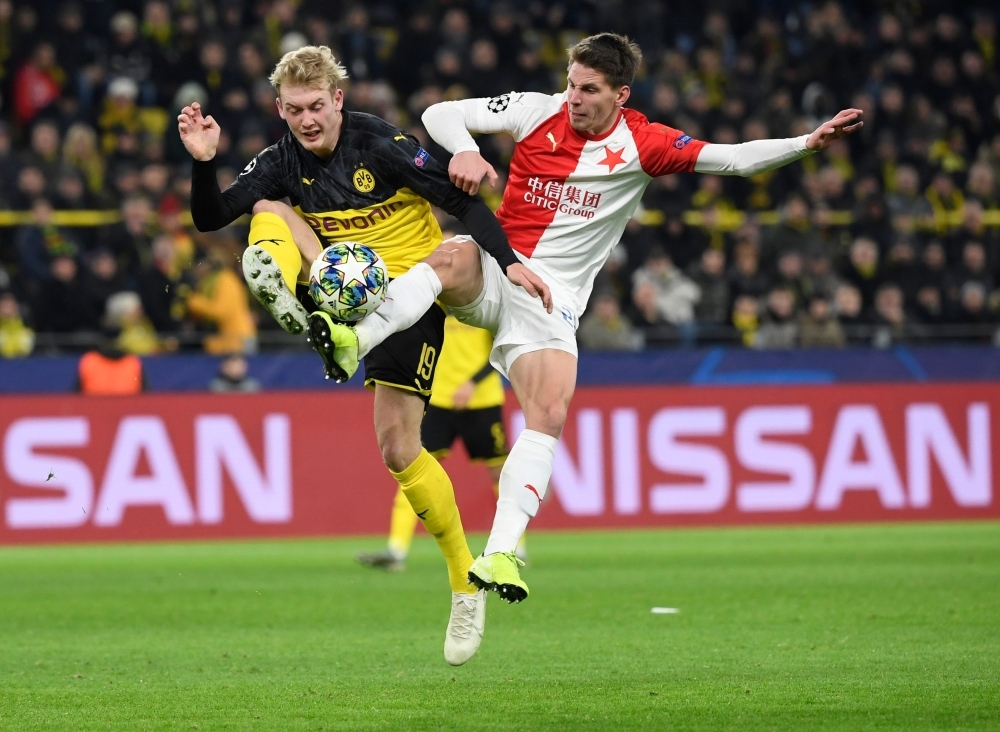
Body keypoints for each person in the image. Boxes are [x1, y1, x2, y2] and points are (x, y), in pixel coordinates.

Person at [314, 32, 863, 608]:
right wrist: (466, 151)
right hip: (501, 267)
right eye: (572, 83)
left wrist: (807, 142)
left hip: (552, 303)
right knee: (450, 255)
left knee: (548, 412)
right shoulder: (536, 109)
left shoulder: (645, 143)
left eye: (589, 89)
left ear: (620, 94)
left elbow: (732, 158)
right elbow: (439, 113)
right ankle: (354, 340)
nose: (573, 98)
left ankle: (500, 552)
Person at [177, 45, 547, 667]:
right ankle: (310, 308)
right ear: (280, 109)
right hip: (343, 286)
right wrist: (203, 164)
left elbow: (464, 206)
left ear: (338, 100)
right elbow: (212, 215)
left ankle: (464, 583)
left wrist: (509, 263)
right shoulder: (279, 159)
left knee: (398, 448)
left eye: (317, 106)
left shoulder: (382, 145)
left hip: (409, 294)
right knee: (266, 204)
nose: (307, 119)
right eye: (294, 110)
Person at [356, 316, 525, 572]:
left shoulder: (481, 300)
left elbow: (502, 348)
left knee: (500, 474)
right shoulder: (432, 298)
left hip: (483, 400)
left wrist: (473, 382)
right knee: (411, 469)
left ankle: (514, 547)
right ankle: (396, 550)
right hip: (438, 398)